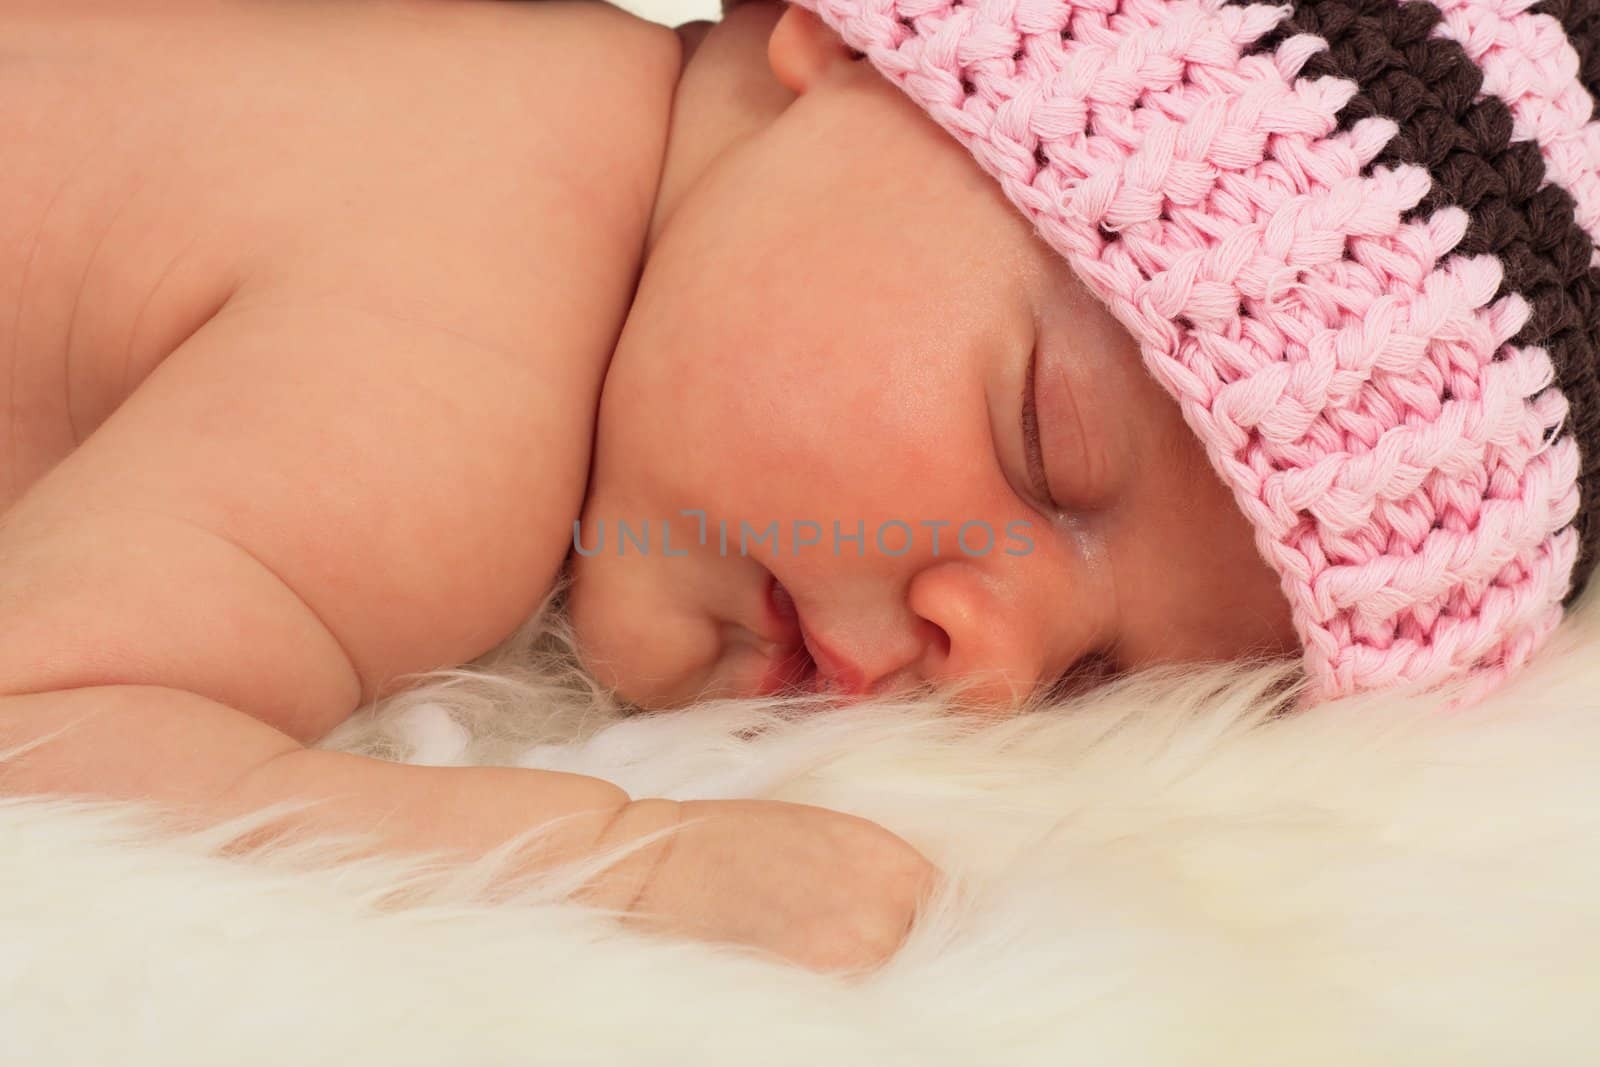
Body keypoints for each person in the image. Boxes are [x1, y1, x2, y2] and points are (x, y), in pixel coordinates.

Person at [2, 0, 1594, 973]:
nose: (989, 664)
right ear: (850, 39)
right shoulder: (456, 347)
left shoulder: (511, 78)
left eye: (1091, 678)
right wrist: (615, 866)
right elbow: (42, 740)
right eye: (1048, 446)